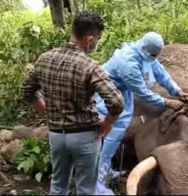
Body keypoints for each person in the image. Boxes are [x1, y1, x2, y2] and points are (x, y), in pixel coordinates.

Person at [21, 11, 124, 195]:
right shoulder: (89, 66)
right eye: (98, 39)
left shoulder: (45, 58)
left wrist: (43, 108)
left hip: (56, 136)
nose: (96, 43)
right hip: (84, 136)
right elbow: (116, 102)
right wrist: (108, 123)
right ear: (90, 40)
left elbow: (26, 90)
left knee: (59, 185)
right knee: (86, 188)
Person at [95, 32, 188, 195]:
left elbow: (160, 72)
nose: (154, 58)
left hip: (122, 95)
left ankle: (105, 167)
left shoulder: (147, 56)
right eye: (153, 55)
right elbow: (141, 92)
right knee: (104, 131)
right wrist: (167, 101)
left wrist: (177, 90)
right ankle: (96, 178)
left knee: (118, 131)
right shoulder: (128, 61)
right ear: (144, 48)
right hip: (106, 95)